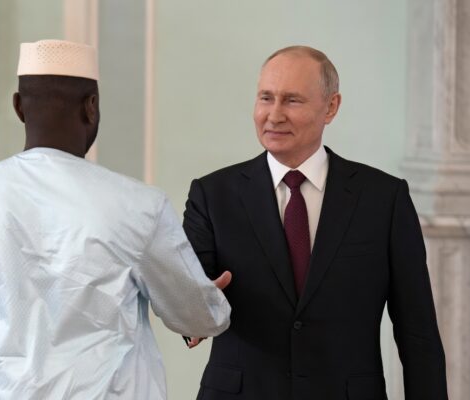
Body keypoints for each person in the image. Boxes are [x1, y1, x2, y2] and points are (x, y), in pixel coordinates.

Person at [0, 39, 231, 400]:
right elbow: (196, 317)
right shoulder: (139, 206)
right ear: (91, 107)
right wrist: (209, 302)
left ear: (18, 107)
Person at [183, 46, 447, 399]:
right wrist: (195, 312)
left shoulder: (384, 199)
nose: (274, 115)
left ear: (331, 107)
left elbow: (418, 333)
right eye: (266, 98)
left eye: (292, 100)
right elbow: (188, 300)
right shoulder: (212, 195)